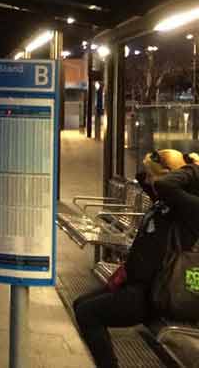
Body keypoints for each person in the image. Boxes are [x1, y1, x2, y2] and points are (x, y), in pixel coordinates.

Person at [73, 149, 199, 368]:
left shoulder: (191, 208)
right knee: (80, 304)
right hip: (137, 285)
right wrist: (152, 165)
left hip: (156, 293)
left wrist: (192, 169)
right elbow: (146, 180)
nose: (148, 181)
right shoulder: (164, 204)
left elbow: (165, 185)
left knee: (88, 313)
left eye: (154, 175)